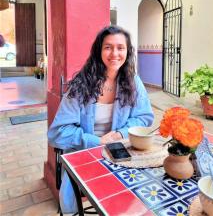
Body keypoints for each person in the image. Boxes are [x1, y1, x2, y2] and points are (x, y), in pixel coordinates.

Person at [48, 25, 154, 214]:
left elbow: (144, 117)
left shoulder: (133, 81)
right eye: (108, 47)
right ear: (99, 50)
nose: (115, 53)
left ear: (127, 52)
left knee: (136, 195)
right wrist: (96, 142)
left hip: (120, 150)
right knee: (79, 202)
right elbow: (57, 133)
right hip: (84, 152)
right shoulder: (81, 85)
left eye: (120, 47)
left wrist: (120, 133)